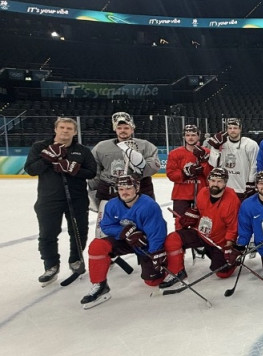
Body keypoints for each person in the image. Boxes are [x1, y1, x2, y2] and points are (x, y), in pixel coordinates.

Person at [25, 117, 97, 285]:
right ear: (55, 129)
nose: (65, 131)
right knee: (48, 233)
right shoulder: (40, 147)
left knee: (79, 231)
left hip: (77, 198)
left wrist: (72, 168)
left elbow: (91, 172)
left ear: (75, 132)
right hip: (49, 198)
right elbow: (30, 170)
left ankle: (75, 259)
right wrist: (46, 159)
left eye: (69, 128)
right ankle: (50, 265)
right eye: (62, 127)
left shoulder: (82, 150)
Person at [81, 176, 168, 308]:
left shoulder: (149, 205)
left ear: (137, 188)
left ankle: (169, 266)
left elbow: (157, 233)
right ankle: (99, 285)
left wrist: (156, 253)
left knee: (153, 281)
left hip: (146, 244)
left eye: (128, 188)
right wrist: (124, 232)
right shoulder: (112, 204)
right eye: (121, 189)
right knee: (97, 246)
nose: (124, 192)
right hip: (124, 241)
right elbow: (106, 226)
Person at [161, 168, 241, 288]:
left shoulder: (232, 199)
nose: (215, 184)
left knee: (222, 273)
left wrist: (229, 246)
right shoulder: (203, 192)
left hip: (219, 241)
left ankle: (232, 262)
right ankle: (177, 272)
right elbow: (199, 211)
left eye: (220, 181)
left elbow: (233, 226)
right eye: (213, 180)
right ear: (208, 181)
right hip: (201, 233)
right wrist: (191, 216)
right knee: (173, 239)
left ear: (225, 183)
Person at [89, 112, 160, 237]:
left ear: (132, 129)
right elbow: (95, 171)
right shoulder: (101, 147)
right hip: (109, 190)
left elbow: (153, 167)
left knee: (145, 226)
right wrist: (94, 192)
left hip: (140, 190)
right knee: (105, 230)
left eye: (126, 128)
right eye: (119, 128)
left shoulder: (145, 146)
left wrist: (139, 164)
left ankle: (148, 253)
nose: (123, 131)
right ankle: (110, 254)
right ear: (114, 129)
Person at [165, 125, 211, 229]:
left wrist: (204, 162)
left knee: (203, 222)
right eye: (187, 135)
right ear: (184, 137)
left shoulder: (207, 152)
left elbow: (210, 175)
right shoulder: (175, 153)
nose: (190, 138)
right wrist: (185, 174)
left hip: (202, 193)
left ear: (199, 136)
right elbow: (170, 174)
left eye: (193, 135)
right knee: (180, 222)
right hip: (181, 194)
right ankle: (180, 242)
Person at [207, 117, 259, 200]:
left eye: (235, 128)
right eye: (230, 128)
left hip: (243, 188)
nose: (232, 130)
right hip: (225, 188)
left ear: (240, 129)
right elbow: (213, 164)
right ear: (226, 129)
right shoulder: (220, 142)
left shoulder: (250, 144)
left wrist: (251, 183)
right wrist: (216, 148)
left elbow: (254, 164)